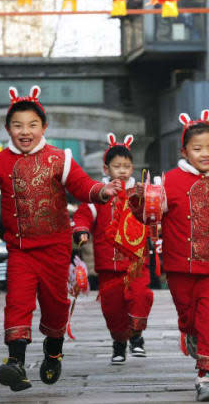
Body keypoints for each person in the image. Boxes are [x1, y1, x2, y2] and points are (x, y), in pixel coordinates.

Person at [0, 86, 121, 392]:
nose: (25, 131)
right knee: (17, 302)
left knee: (55, 306)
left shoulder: (59, 159)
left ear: (44, 128)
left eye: (32, 125)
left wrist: (100, 191)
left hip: (55, 248)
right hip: (21, 250)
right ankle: (15, 362)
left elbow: (82, 186)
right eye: (17, 125)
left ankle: (53, 352)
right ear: (7, 129)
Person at [130, 110, 209, 402]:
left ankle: (207, 376)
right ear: (185, 151)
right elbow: (149, 218)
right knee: (189, 318)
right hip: (179, 268)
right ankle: (190, 333)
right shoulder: (169, 181)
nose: (206, 154)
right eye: (198, 148)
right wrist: (139, 199)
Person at [72, 133, 153, 365]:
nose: (122, 170)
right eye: (117, 166)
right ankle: (119, 343)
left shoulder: (140, 192)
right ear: (106, 168)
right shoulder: (99, 194)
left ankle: (136, 335)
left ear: (132, 167)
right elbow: (83, 215)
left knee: (141, 296)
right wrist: (81, 229)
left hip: (137, 262)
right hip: (109, 264)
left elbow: (154, 215)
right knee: (112, 309)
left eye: (126, 166)